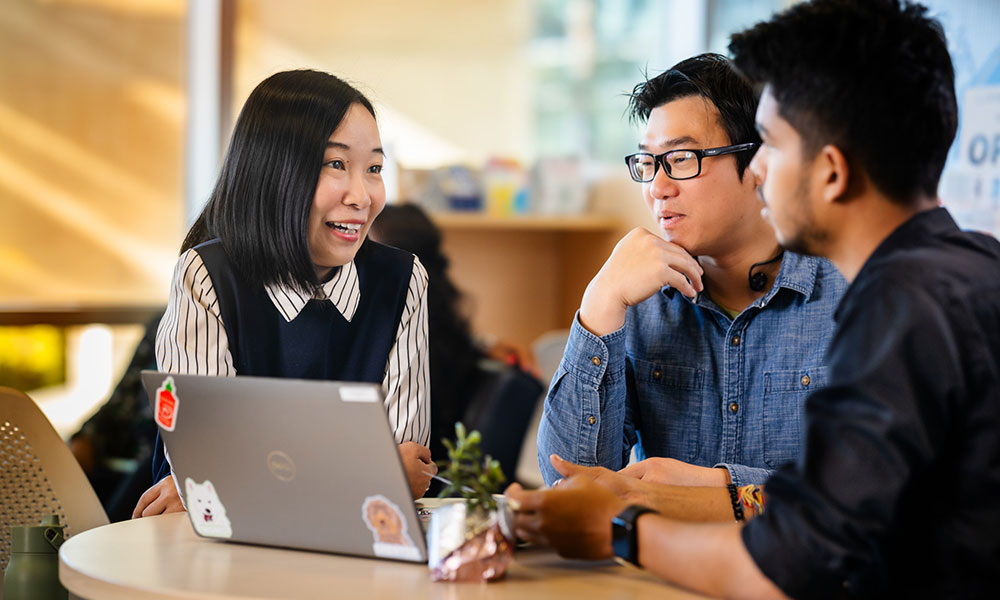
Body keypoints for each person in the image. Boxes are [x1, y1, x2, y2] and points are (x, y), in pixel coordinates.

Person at [509, 0, 1000, 597]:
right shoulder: (965, 272)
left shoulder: (897, 305)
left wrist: (629, 523)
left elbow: (794, 557)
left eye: (770, 144)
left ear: (831, 171)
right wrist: (599, 306)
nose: (761, 170)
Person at [536, 52, 846, 505]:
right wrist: (600, 303)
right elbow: (570, 483)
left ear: (758, 162)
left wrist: (719, 488)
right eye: (648, 162)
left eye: (681, 159)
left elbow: (876, 499)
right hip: (662, 573)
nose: (658, 187)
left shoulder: (848, 293)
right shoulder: (640, 295)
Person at [133, 70, 435, 518]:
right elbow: (203, 468)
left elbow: (407, 467)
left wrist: (241, 479)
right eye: (336, 164)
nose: (362, 195)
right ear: (275, 173)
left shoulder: (404, 280)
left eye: (374, 168)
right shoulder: (206, 275)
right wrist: (368, 474)